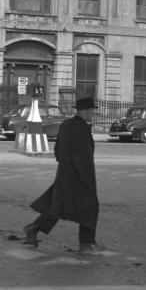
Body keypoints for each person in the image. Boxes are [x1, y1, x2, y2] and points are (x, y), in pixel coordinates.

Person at [22, 97, 105, 254]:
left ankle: (33, 228)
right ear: (82, 111)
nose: (91, 114)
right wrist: (85, 178)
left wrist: (64, 165)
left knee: (58, 207)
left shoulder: (67, 125)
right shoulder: (81, 128)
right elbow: (82, 157)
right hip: (79, 176)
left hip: (65, 174)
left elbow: (57, 150)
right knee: (90, 207)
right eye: (89, 111)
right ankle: (86, 243)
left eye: (91, 111)